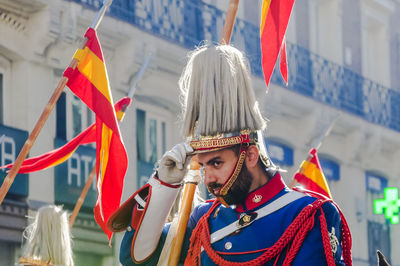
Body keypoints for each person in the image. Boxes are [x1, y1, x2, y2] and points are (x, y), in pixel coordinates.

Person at [107, 44, 352, 265]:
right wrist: (164, 185)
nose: (208, 178)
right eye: (203, 166)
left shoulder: (307, 214)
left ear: (252, 155)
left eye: (216, 163)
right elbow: (137, 260)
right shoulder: (203, 219)